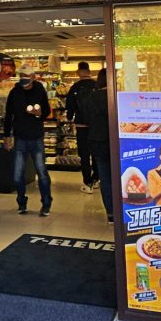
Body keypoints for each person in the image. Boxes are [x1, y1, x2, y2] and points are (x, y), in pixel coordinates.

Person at [4, 66, 53, 216]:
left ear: (33, 76)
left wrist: (39, 114)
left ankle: (46, 203)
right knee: (18, 175)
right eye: (21, 75)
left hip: (36, 137)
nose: (23, 78)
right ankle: (21, 202)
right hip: (20, 138)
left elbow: (46, 111)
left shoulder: (39, 90)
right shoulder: (14, 92)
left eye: (26, 75)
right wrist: (7, 136)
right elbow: (8, 115)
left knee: (42, 172)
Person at [78, 67, 114, 222]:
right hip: (115, 140)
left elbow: (86, 118)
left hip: (97, 140)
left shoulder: (92, 97)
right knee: (120, 176)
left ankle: (111, 213)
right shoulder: (115, 97)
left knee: (105, 178)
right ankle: (122, 211)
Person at [64, 61, 99, 192]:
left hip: (81, 125)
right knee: (96, 153)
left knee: (84, 155)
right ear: (89, 71)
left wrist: (69, 117)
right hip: (95, 126)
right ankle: (96, 178)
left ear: (79, 72)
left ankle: (87, 182)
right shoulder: (97, 85)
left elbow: (70, 107)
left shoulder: (75, 87)